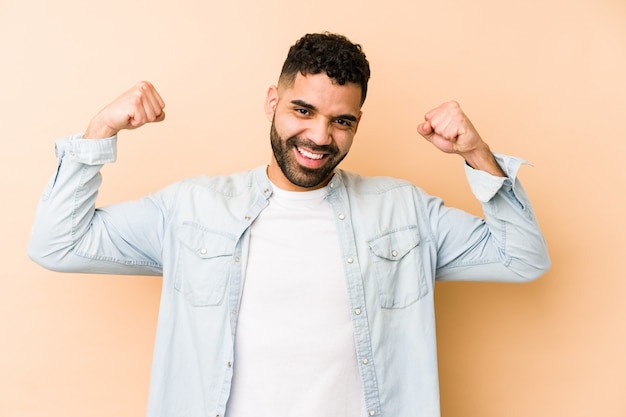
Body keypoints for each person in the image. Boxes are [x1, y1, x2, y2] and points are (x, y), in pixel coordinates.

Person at [28, 32, 550, 417]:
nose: (319, 136)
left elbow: (522, 259)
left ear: (356, 124)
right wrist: (99, 131)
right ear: (272, 102)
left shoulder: (404, 212)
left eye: (340, 120)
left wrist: (478, 154)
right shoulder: (192, 208)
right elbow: (58, 243)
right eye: (303, 109)